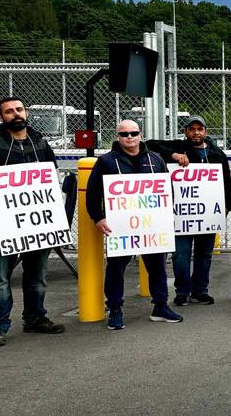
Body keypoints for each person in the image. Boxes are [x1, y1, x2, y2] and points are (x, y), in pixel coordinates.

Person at [0, 96, 65, 346]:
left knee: (37, 275)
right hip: (2, 225)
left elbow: (51, 178)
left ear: (26, 113)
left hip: (38, 224)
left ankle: (35, 318)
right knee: (0, 278)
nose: (16, 114)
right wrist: (1, 207)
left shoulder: (40, 141)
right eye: (9, 111)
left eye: (19, 109)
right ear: (2, 117)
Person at [86, 119, 183, 330]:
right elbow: (93, 194)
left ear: (140, 135)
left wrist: (166, 215)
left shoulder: (155, 159)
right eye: (124, 134)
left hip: (151, 226)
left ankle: (160, 306)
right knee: (116, 270)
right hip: (121, 227)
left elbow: (167, 190)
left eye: (133, 133)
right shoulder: (106, 161)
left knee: (157, 267)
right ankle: (115, 310)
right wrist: (98, 218)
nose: (129, 137)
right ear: (117, 137)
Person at [146, 115, 231, 307]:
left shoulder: (217, 154)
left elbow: (227, 183)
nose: (196, 132)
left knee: (204, 255)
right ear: (186, 132)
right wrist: (174, 155)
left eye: (199, 129)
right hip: (182, 215)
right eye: (192, 129)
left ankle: (200, 291)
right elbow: (149, 144)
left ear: (205, 132)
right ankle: (182, 291)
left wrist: (226, 206)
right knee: (181, 254)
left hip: (208, 215)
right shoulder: (179, 146)